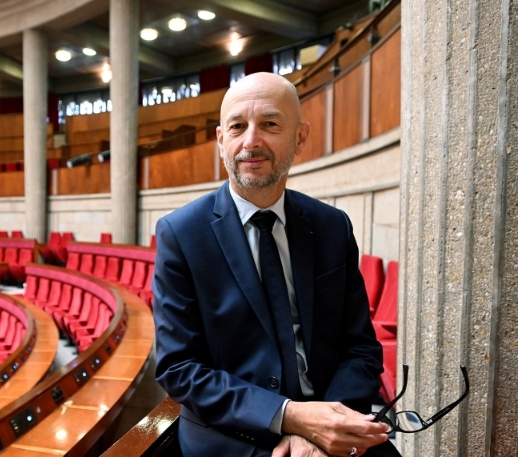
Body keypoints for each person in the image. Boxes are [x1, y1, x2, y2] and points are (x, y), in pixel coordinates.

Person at [153, 72, 400, 457]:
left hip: (332, 419)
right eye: (237, 127)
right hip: (234, 432)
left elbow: (361, 349)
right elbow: (179, 368)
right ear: (222, 141)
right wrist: (293, 417)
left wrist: (326, 425)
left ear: (299, 137)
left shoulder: (332, 227)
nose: (251, 141)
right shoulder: (181, 234)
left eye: (269, 124)